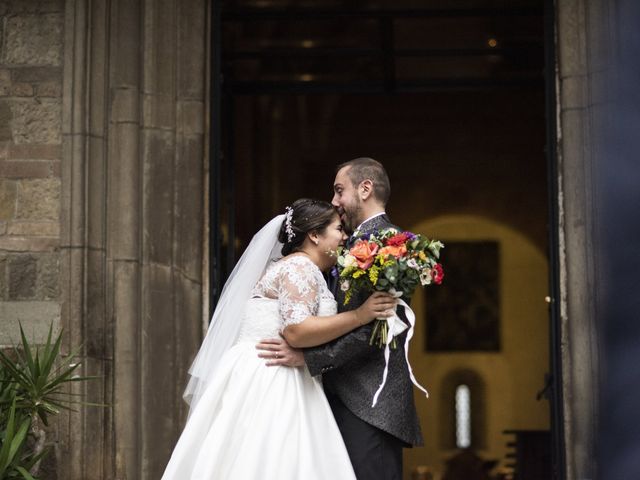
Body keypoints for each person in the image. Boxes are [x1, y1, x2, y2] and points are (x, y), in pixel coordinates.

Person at [161, 198, 398, 479]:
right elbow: (296, 330)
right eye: (338, 229)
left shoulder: (295, 266)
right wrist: (360, 315)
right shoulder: (301, 268)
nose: (345, 237)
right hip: (273, 379)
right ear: (314, 235)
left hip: (267, 371)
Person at [257, 158, 423, 480]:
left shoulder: (393, 245)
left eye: (339, 191)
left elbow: (381, 327)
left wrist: (309, 357)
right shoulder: (346, 244)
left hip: (370, 400)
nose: (334, 201)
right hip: (336, 396)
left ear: (365, 188)